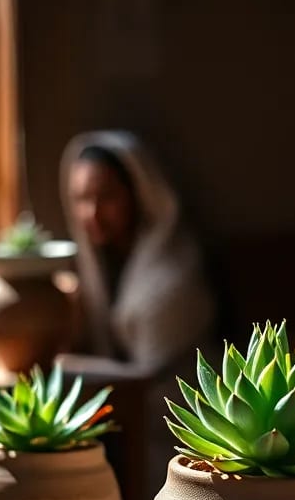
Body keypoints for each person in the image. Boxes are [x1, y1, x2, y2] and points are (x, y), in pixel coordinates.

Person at [60, 130, 216, 377]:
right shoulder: (102, 270)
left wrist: (65, 364)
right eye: (82, 198)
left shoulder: (172, 280)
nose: (93, 213)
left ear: (137, 194)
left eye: (107, 196)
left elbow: (148, 381)